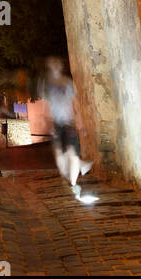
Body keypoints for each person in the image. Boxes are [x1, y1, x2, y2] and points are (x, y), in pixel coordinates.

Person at [39, 56, 92, 198]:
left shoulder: (67, 82)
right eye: (53, 64)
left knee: (72, 150)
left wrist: (79, 119)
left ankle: (74, 182)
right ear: (50, 67)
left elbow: (74, 102)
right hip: (56, 122)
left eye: (57, 64)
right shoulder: (46, 83)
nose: (56, 67)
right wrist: (46, 119)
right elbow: (45, 103)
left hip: (68, 121)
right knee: (59, 153)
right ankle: (74, 170)